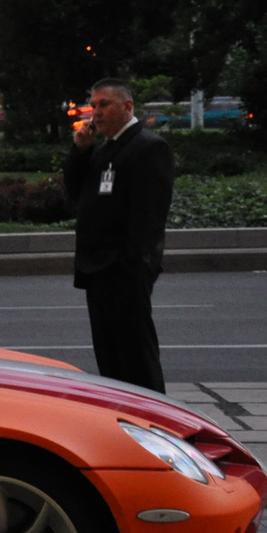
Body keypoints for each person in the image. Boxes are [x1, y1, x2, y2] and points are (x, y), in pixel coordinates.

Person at [63, 78, 174, 393]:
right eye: (94, 105)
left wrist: (137, 266)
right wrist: (80, 151)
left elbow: (149, 217)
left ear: (127, 106)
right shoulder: (104, 149)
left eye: (104, 104)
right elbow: (75, 193)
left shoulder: (148, 147)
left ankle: (154, 418)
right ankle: (123, 415)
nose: (96, 112)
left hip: (123, 270)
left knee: (136, 356)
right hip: (97, 269)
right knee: (109, 357)